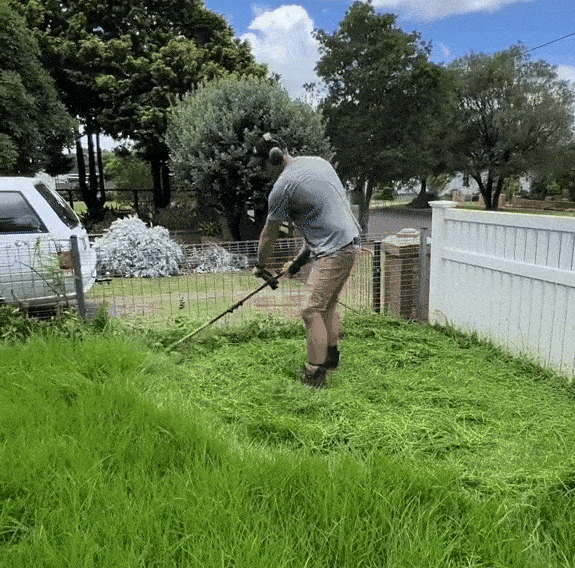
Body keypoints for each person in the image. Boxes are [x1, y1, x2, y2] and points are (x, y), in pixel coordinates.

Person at [252, 134, 361, 388]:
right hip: (351, 244)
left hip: (334, 252)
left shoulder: (283, 186)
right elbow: (321, 224)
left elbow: (269, 233)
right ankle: (331, 358)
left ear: (273, 158)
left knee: (311, 311)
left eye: (261, 164)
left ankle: (314, 376)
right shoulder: (318, 163)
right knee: (327, 305)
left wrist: (260, 265)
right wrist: (297, 263)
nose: (261, 171)